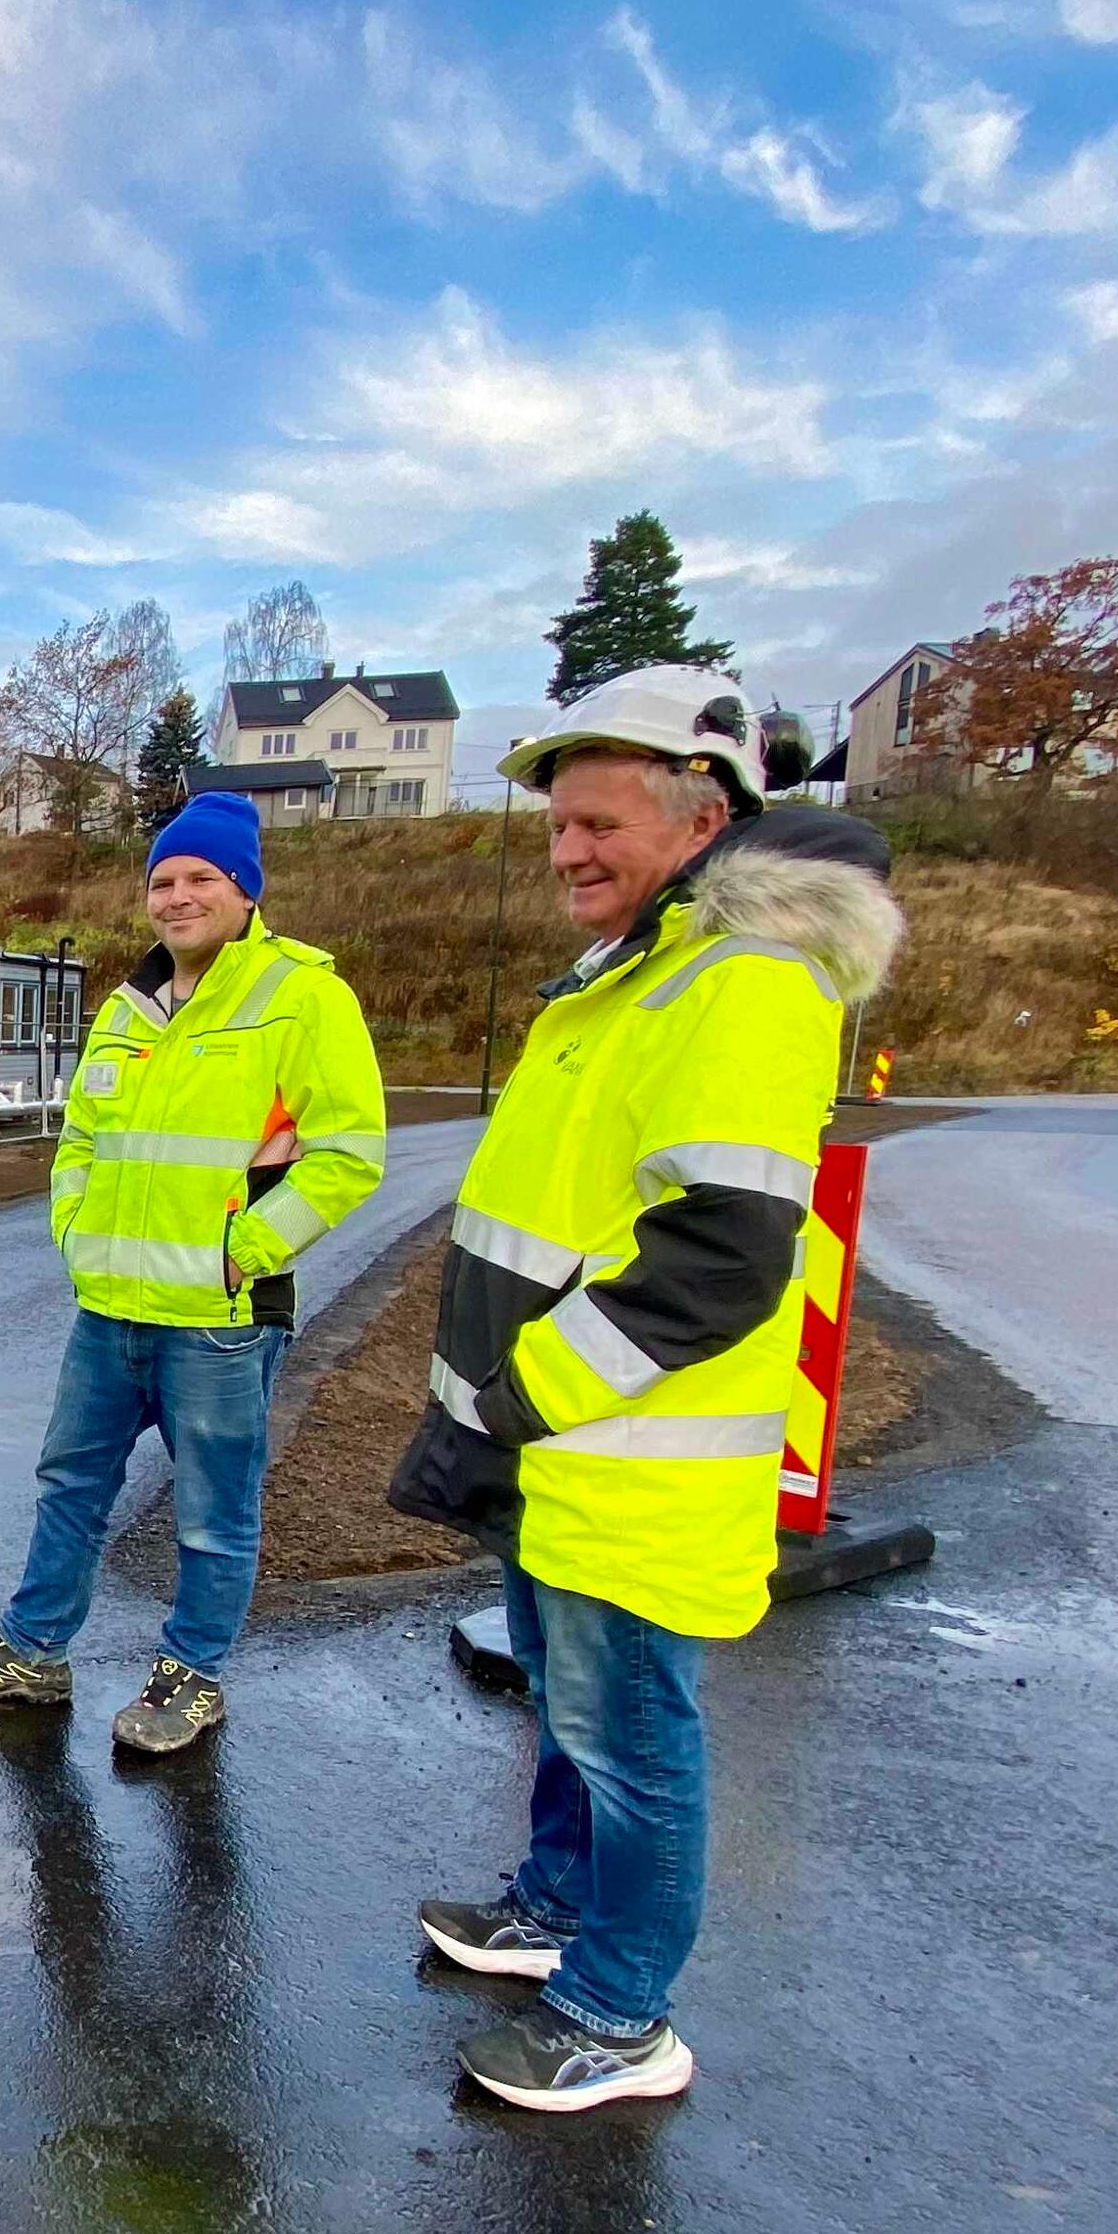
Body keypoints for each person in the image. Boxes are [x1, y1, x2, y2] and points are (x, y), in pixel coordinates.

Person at [393, 664, 901, 2112]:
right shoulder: (649, 966)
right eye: (559, 827)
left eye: (599, 823)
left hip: (628, 1455)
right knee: (567, 1712)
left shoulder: (743, 981)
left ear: (706, 816)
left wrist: (526, 1387)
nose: (568, 853)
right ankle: (554, 1915)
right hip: (565, 1453)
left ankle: (621, 2016)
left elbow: (721, 1256)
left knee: (634, 1744)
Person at [0, 793, 386, 1756]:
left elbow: (350, 1154)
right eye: (162, 881)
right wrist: (75, 1229)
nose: (177, 898)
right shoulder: (129, 1008)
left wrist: (243, 1253)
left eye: (199, 879)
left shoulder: (303, 999)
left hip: (220, 1317)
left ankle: (191, 1674)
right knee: (69, 1487)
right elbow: (82, 1137)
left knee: (215, 1512)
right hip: (109, 1309)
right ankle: (32, 1652)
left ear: (245, 889)